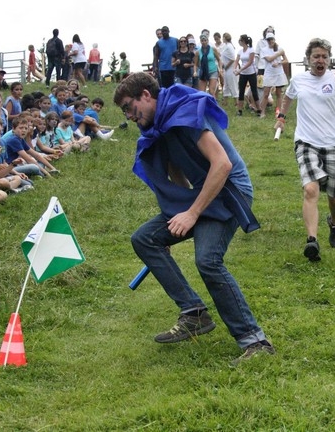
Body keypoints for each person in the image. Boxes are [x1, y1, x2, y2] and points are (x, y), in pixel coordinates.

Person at [113, 72, 274, 365]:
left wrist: (192, 213)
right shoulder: (159, 125)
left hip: (229, 192)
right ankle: (194, 313)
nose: (128, 116)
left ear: (146, 95)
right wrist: (180, 213)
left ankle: (255, 341)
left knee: (208, 260)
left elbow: (222, 164)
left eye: (128, 107)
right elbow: (176, 171)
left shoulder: (183, 111)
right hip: (204, 193)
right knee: (146, 239)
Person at [274, 38, 335, 261]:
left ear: (329, 60)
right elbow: (288, 96)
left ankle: (334, 222)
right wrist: (281, 117)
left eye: (324, 56)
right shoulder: (299, 80)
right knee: (311, 190)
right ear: (308, 59)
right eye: (316, 56)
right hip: (306, 142)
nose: (320, 60)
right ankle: (312, 241)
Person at [257, 32, 288, 118]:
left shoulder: (280, 48)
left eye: (272, 39)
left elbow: (286, 60)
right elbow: (269, 59)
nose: (270, 41)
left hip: (279, 73)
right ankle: (262, 112)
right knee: (266, 94)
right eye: (268, 40)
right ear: (266, 41)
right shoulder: (264, 50)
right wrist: (278, 53)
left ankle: (279, 112)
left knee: (279, 94)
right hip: (269, 74)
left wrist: (279, 62)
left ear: (274, 40)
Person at [234, 34, 260, 116]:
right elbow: (236, 60)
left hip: (251, 73)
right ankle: (240, 110)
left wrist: (240, 69)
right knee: (241, 91)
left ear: (244, 41)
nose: (239, 42)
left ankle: (259, 109)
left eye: (240, 40)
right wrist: (234, 69)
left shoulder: (251, 50)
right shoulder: (240, 51)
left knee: (254, 91)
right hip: (243, 74)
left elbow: (250, 62)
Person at [220, 33, 237, 105]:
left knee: (232, 85)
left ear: (225, 38)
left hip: (230, 69)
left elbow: (233, 59)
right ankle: (225, 101)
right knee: (226, 85)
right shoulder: (226, 46)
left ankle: (236, 101)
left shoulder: (229, 46)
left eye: (223, 37)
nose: (222, 39)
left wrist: (226, 67)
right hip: (226, 69)